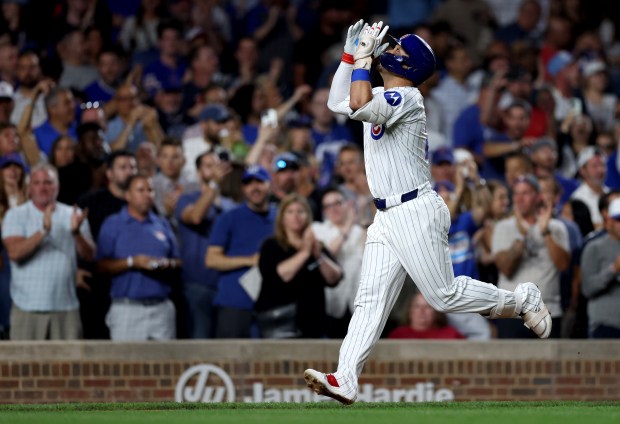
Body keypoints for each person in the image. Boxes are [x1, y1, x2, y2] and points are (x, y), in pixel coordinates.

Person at [304, 21, 553, 405]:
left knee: (444, 296)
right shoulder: (382, 93)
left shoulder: (408, 99)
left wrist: (364, 60)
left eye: (399, 51)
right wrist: (350, 57)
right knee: (369, 300)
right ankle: (346, 378)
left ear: (408, 68)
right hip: (386, 216)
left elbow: (354, 103)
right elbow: (338, 102)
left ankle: (521, 300)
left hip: (415, 209)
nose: (392, 50)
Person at [2, 164, 95, 340]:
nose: (43, 188)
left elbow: (89, 255)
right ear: (30, 188)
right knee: (24, 366)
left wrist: (76, 233)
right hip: (27, 307)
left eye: (48, 182)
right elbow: (14, 253)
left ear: (57, 186)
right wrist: (44, 231)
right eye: (37, 183)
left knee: (70, 366)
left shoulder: (72, 214)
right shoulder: (16, 215)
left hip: (66, 307)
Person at [96, 175, 181, 341]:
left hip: (161, 307)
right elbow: (101, 265)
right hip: (128, 308)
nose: (147, 195)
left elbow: (178, 260)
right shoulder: (113, 224)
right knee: (125, 364)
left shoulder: (162, 224)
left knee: (164, 364)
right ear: (128, 195)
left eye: (150, 190)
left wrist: (167, 264)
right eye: (140, 190)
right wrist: (132, 262)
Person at [205, 165, 276, 338]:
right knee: (230, 362)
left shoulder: (281, 217)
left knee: (269, 363)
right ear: (243, 188)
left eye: (259, 182)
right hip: (234, 302)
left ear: (269, 185)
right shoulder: (229, 218)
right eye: (248, 183)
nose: (254, 187)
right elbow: (211, 259)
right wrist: (249, 260)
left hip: (271, 304)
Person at [257, 194, 342, 338]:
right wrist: (305, 253)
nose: (296, 216)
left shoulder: (317, 246)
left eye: (300, 211)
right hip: (280, 322)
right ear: (282, 218)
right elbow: (282, 275)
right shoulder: (271, 246)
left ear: (308, 216)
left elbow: (335, 278)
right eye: (290, 212)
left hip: (313, 322)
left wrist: (318, 256)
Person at [311, 188, 365, 338]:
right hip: (331, 300)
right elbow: (327, 253)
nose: (334, 208)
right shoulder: (317, 229)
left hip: (356, 299)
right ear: (324, 210)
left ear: (347, 205)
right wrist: (347, 227)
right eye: (328, 206)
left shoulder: (360, 231)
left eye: (337, 203)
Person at [388, 291, 465, 339]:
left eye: (428, 306)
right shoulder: (398, 335)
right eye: (417, 306)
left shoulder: (451, 334)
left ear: (436, 312)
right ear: (409, 311)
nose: (422, 311)